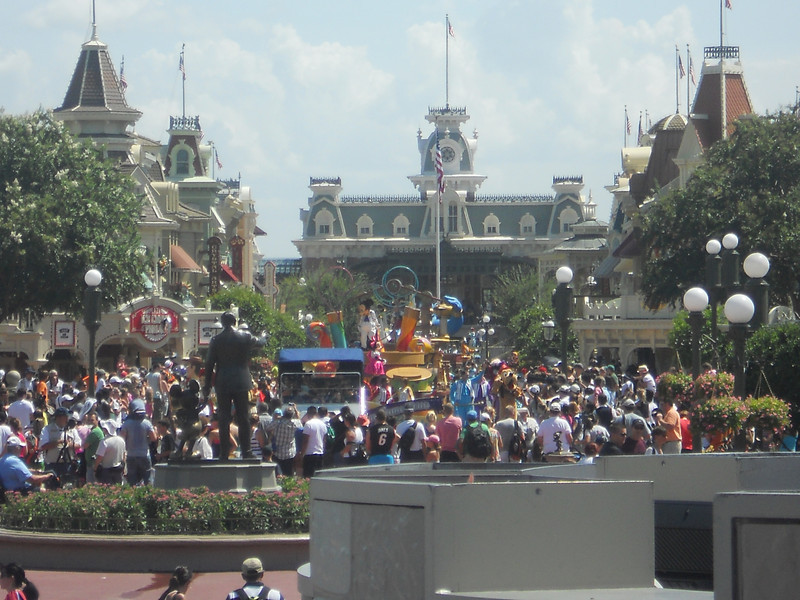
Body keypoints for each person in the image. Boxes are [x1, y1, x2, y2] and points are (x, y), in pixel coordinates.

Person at [203, 311, 266, 460]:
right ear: (235, 322)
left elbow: (209, 364)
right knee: (243, 417)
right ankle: (247, 451)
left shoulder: (216, 340)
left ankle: (224, 453)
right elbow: (261, 342)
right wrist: (264, 335)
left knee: (223, 418)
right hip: (241, 381)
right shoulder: (245, 336)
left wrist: (207, 385)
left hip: (223, 381)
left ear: (222, 323)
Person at [119, 399, 157, 485]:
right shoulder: (147, 423)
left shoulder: (126, 423)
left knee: (132, 481)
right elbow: (154, 438)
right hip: (144, 454)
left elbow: (122, 439)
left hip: (131, 455)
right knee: (148, 480)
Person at [39, 406, 81, 477]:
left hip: (68, 464)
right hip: (52, 464)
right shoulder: (47, 429)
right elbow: (43, 446)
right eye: (66, 417)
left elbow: (78, 445)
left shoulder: (72, 430)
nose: (68, 419)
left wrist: (69, 444)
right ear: (58, 418)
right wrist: (59, 442)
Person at [265, 407, 300, 476]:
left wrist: (280, 418)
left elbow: (267, 428)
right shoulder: (296, 423)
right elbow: (300, 423)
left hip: (277, 452)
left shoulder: (277, 422)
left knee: (278, 474)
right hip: (290, 453)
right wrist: (296, 410)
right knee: (289, 474)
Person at [298, 405, 327, 477]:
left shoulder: (308, 424)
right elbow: (324, 440)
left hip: (309, 454)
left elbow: (305, 440)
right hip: (320, 453)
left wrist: (302, 454)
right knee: (319, 476)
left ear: (308, 414)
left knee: (308, 476)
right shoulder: (322, 424)